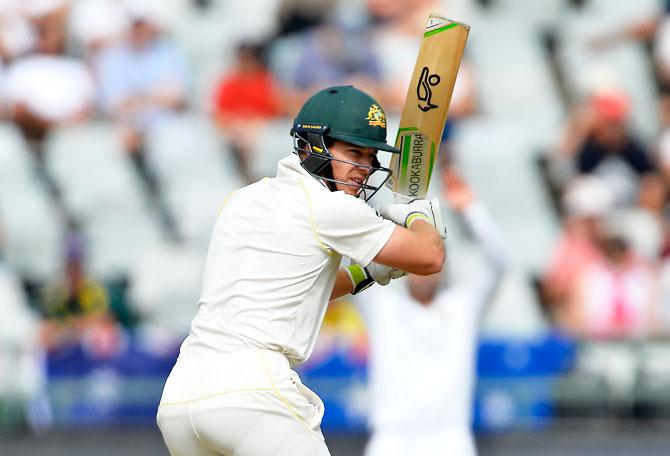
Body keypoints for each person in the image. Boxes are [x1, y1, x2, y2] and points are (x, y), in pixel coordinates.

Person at [156, 85, 447, 456]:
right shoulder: (330, 208)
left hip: (181, 399)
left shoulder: (245, 197)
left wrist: (368, 272)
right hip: (252, 393)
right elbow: (430, 255)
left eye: (371, 157)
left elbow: (301, 288)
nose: (364, 169)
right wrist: (416, 212)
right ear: (312, 145)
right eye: (354, 152)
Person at [355, 166, 508, 456]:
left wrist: (471, 209)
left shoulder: (463, 306)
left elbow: (498, 263)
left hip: (449, 438)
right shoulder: (383, 305)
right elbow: (352, 247)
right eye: (415, 262)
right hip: (392, 437)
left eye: (430, 262)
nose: (423, 272)